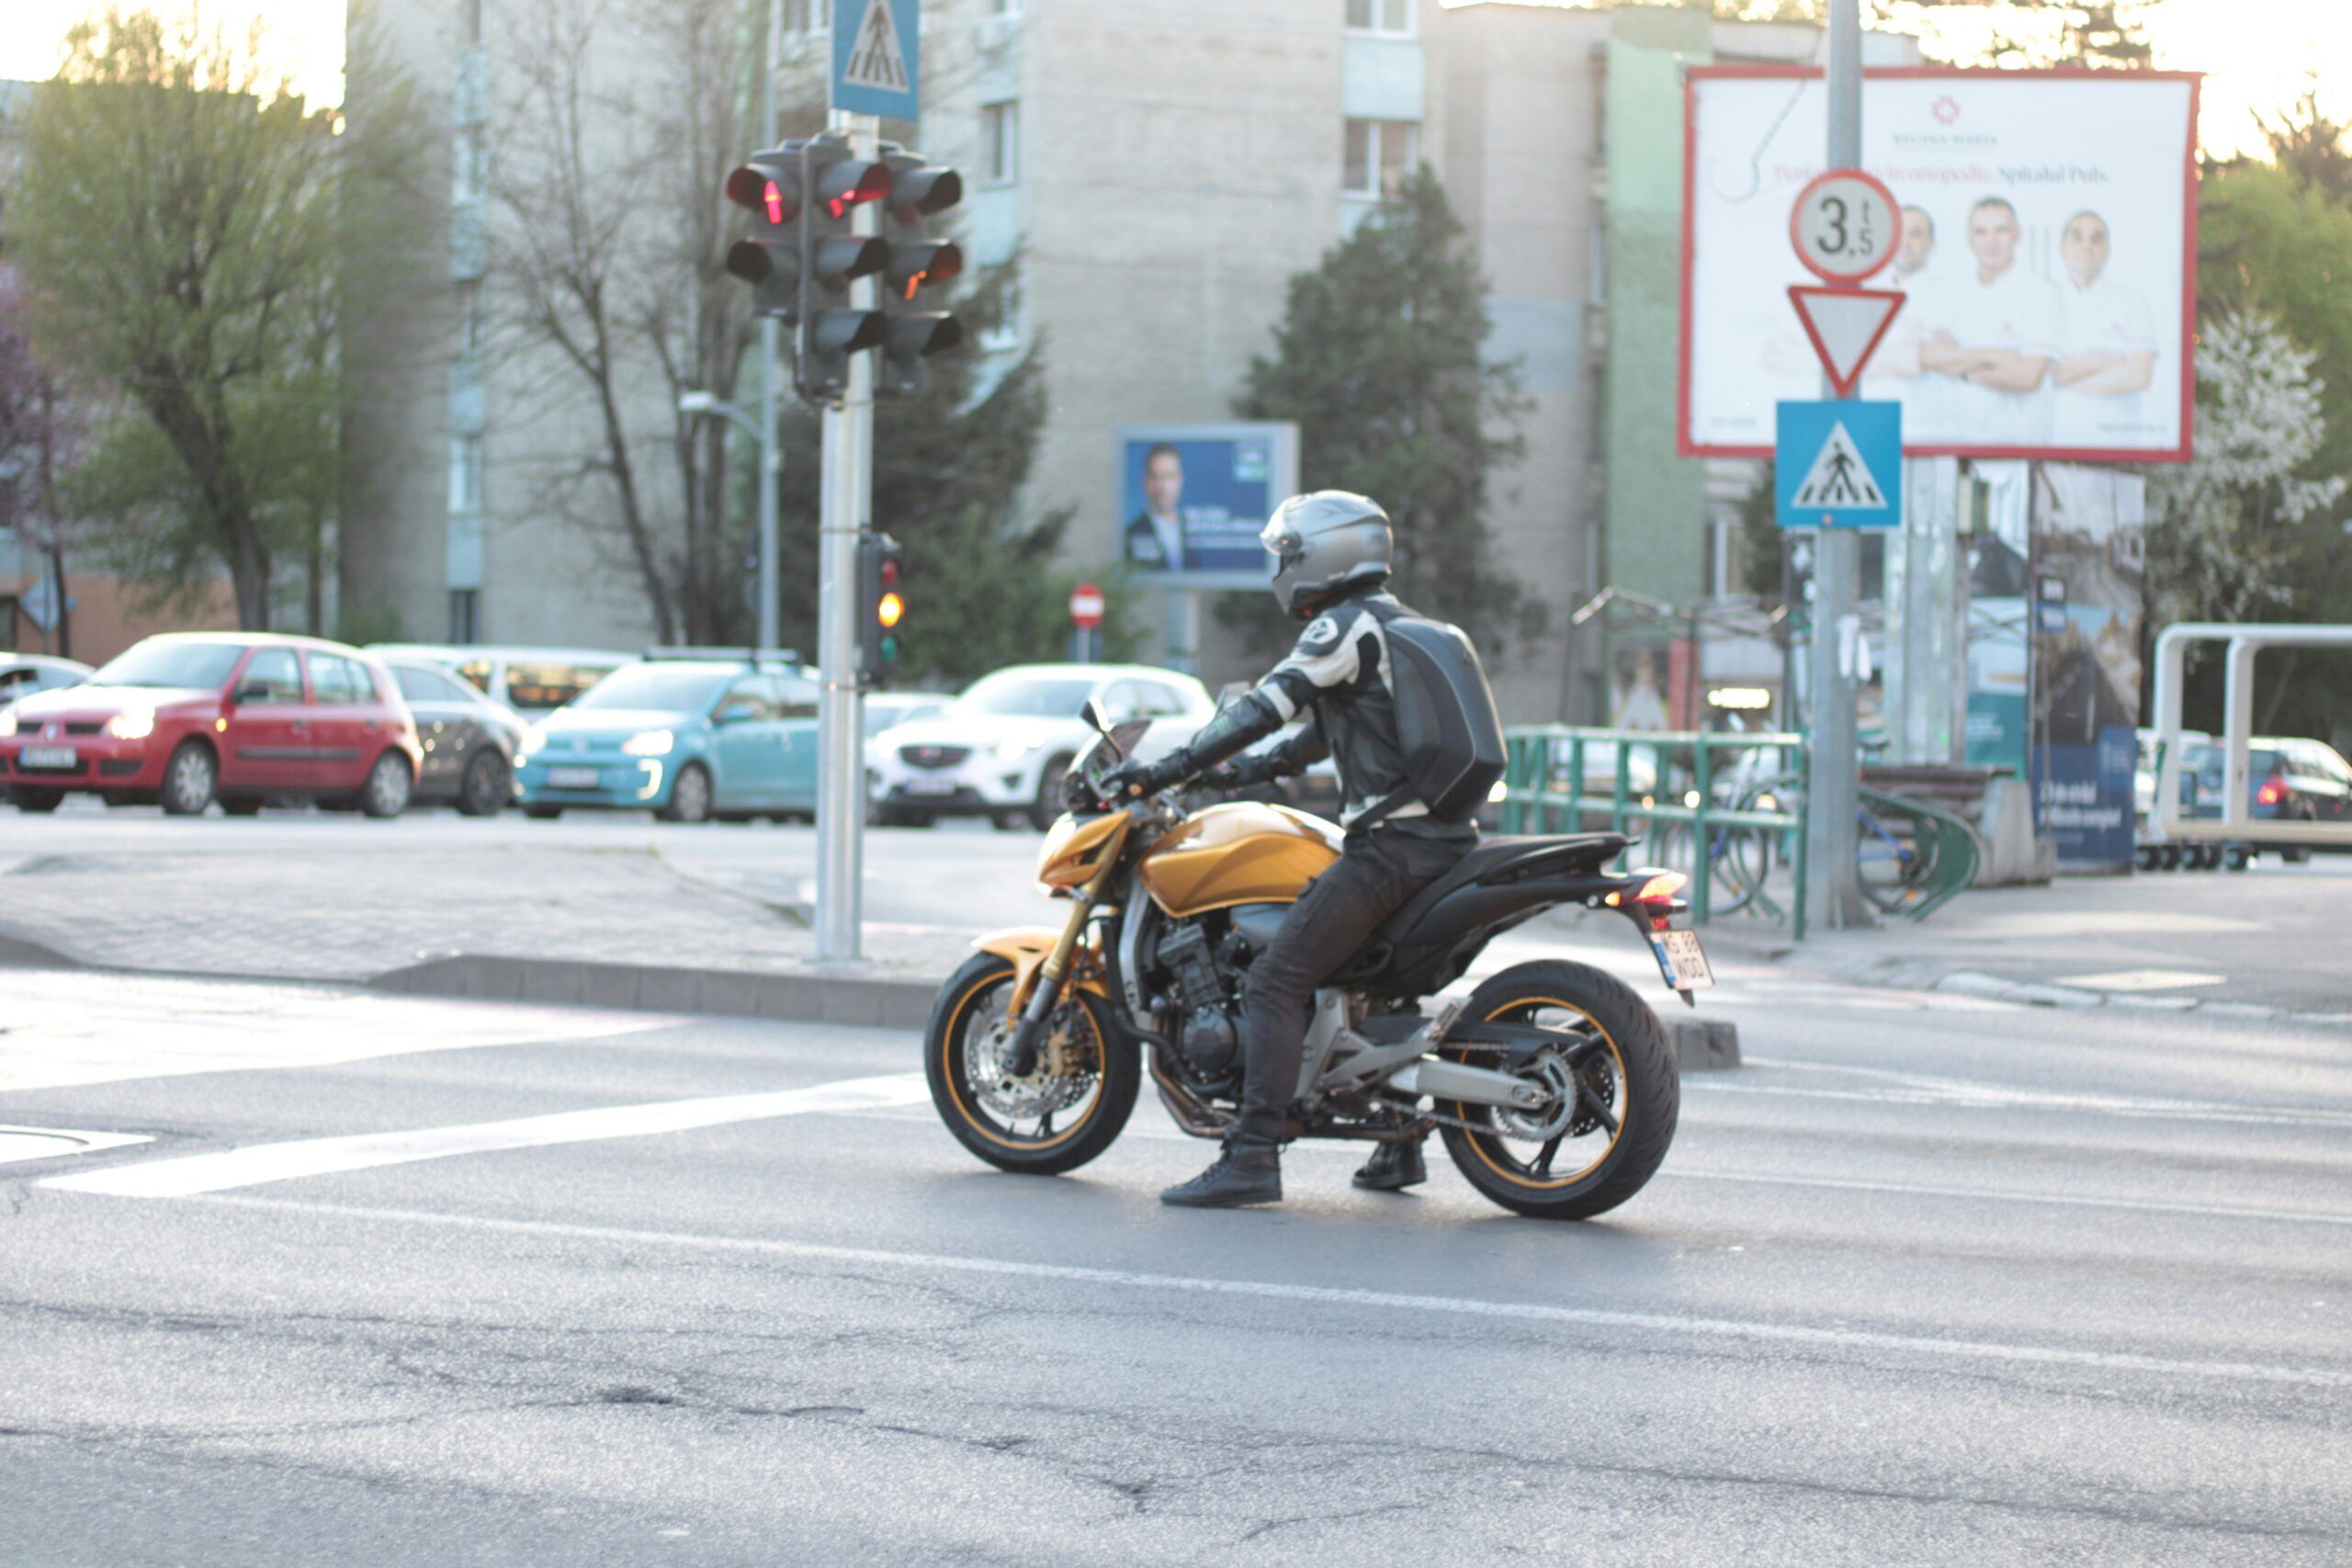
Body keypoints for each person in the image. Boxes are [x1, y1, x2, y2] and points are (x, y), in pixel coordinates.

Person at [1099, 491, 1481, 1209]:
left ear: (1319, 557)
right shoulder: (1401, 627)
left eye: (1288, 555)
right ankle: (1397, 1147)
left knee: (1277, 979)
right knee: (1371, 984)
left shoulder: (1340, 628)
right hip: (1445, 843)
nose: (1282, 568)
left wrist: (1162, 768)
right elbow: (1316, 738)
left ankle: (1251, 1154)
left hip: (1392, 849)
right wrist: (1227, 774)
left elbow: (1261, 708)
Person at [1917, 196, 2061, 446]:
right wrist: (1998, 356)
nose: (1991, 241)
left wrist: (1957, 363)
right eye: (1981, 232)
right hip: (1954, 445)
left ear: (2017, 234)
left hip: (2019, 448)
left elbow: (2027, 377)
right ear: (1969, 239)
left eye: (2001, 231)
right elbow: (1926, 357)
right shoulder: (1949, 292)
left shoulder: (2040, 292)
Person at [2051, 209, 2158, 446]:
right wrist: (2104, 360)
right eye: (2077, 238)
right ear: (2062, 248)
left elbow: (2139, 376)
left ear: (2108, 250)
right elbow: (2037, 374)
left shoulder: (2133, 302)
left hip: (2117, 449)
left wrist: (2061, 379)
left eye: (2096, 239)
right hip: (2053, 444)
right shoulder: (2042, 301)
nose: (2086, 246)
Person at [1123, 444, 1186, 570]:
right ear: (1145, 482)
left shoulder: (1193, 531)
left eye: (1169, 477)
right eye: (1155, 477)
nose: (1162, 487)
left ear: (1180, 480)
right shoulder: (1131, 534)